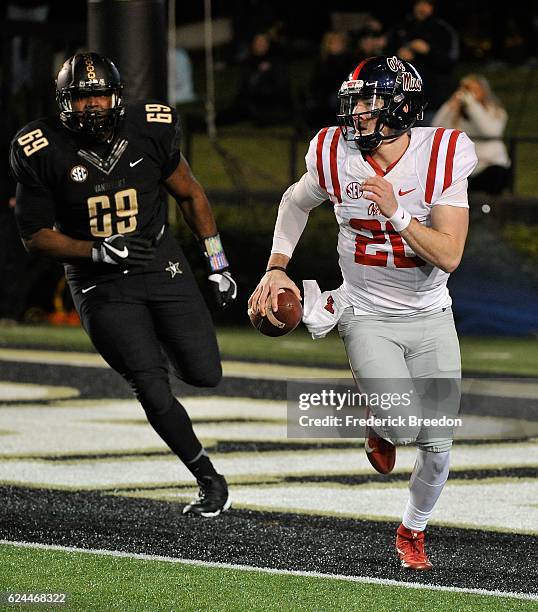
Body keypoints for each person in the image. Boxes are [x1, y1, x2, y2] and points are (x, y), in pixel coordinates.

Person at [248, 55, 477, 570]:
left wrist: (396, 212)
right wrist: (275, 266)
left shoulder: (441, 154)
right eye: (355, 103)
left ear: (400, 107)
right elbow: (294, 201)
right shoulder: (334, 151)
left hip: (431, 312)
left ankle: (411, 531)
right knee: (400, 426)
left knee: (438, 444)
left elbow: (449, 254)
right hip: (366, 309)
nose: (358, 115)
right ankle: (381, 419)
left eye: (370, 104)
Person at [9, 52, 237, 517]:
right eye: (82, 97)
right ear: (63, 102)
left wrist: (217, 263)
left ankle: (156, 342)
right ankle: (208, 478)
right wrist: (93, 250)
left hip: (158, 258)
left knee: (204, 373)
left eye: (99, 95)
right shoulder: (40, 148)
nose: (92, 105)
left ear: (116, 96)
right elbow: (34, 236)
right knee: (150, 385)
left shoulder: (151, 127)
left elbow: (190, 192)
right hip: (99, 279)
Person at [432, 74, 511, 195]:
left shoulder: (496, 111)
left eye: (475, 89)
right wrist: (449, 106)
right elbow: (436, 129)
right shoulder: (457, 113)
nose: (470, 94)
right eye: (467, 89)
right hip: (464, 167)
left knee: (496, 174)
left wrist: (472, 105)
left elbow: (489, 131)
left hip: (490, 165)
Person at [387, 0, 458, 124]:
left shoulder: (443, 29)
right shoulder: (401, 27)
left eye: (427, 4)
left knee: (429, 138)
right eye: (419, 4)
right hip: (402, 100)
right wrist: (398, 55)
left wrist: (428, 51)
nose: (422, 8)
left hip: (433, 100)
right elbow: (386, 55)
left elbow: (450, 61)